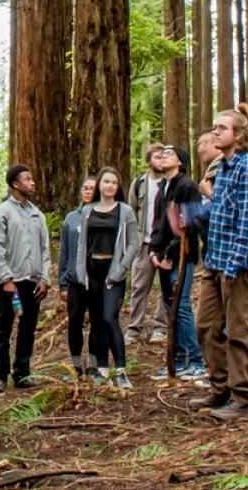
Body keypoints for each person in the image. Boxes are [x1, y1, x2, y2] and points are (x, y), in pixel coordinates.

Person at [193, 105, 248, 421]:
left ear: (238, 135)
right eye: (215, 127)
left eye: (222, 128)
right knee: (206, 325)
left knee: (237, 329)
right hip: (214, 261)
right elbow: (221, 215)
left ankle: (243, 396)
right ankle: (220, 386)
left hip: (236, 266)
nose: (216, 132)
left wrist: (233, 265)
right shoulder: (222, 169)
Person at [59, 168, 140, 389]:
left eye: (114, 182)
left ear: (118, 186)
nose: (110, 186)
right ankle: (102, 368)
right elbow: (81, 246)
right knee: (96, 319)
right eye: (106, 182)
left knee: (109, 318)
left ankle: (121, 370)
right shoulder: (87, 211)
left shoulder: (125, 211)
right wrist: (80, 271)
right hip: (91, 272)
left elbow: (134, 243)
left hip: (113, 272)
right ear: (100, 185)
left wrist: (122, 268)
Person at [0, 165, 52, 391]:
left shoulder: (37, 214)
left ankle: (22, 373)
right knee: (4, 328)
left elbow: (45, 249)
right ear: (15, 184)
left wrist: (44, 278)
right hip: (10, 281)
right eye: (27, 179)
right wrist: (5, 278)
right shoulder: (3, 212)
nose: (32, 182)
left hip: (33, 281)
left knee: (28, 328)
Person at [148, 145, 207, 383]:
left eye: (169, 154)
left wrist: (170, 253)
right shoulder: (163, 188)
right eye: (162, 154)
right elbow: (158, 223)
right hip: (162, 257)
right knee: (169, 305)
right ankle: (179, 360)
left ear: (181, 162)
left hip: (182, 255)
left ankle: (195, 361)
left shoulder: (187, 187)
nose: (163, 157)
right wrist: (153, 251)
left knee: (181, 305)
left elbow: (189, 224)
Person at [126, 146, 174, 347]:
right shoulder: (139, 184)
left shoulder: (171, 183)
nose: (160, 160)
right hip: (143, 244)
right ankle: (134, 328)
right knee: (139, 287)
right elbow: (131, 211)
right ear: (149, 160)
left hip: (165, 245)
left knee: (167, 288)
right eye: (156, 156)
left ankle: (160, 328)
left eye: (164, 156)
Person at [60, 176, 99, 379]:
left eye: (92, 188)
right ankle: (75, 365)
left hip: (96, 280)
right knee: (75, 322)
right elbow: (64, 252)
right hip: (75, 280)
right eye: (85, 187)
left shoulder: (104, 214)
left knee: (97, 322)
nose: (87, 191)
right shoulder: (71, 218)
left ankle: (93, 365)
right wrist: (62, 283)